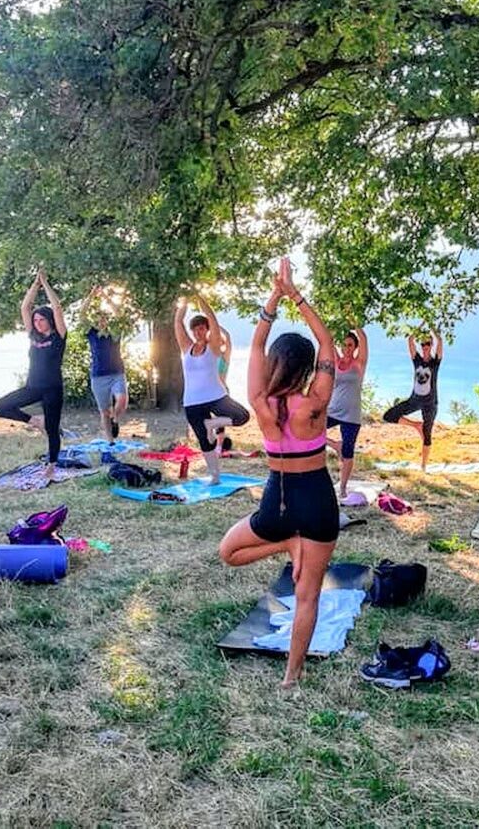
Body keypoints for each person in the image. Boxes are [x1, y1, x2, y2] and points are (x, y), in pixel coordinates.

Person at [218, 257, 339, 688]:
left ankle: (286, 542)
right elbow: (329, 349)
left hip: (279, 499)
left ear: (275, 365)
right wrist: (298, 297)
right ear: (307, 370)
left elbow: (254, 350)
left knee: (228, 552)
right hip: (318, 500)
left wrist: (274, 298)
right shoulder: (315, 404)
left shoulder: (261, 402)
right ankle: (292, 676)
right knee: (307, 595)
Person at [0, 270, 68, 481]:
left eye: (41, 319)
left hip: (53, 389)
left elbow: (58, 307)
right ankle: (35, 420)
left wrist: (46, 283)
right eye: (35, 320)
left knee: (52, 430)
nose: (37, 323)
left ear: (50, 320)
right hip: (32, 387)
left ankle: (51, 466)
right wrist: (35, 285)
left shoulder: (59, 337)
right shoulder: (33, 336)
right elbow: (25, 307)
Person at [175, 293, 249, 482]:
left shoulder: (214, 347)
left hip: (216, 396)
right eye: (195, 330)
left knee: (242, 416)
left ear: (206, 330)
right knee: (204, 440)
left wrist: (200, 299)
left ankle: (213, 424)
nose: (198, 332)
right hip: (192, 401)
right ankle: (215, 476)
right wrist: (184, 303)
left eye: (201, 329)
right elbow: (178, 323)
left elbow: (213, 321)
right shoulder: (187, 348)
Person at [382, 328, 443, 470]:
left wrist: (433, 330)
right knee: (388, 416)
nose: (425, 346)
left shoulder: (435, 363)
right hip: (414, 400)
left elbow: (440, 341)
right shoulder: (417, 360)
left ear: (431, 344)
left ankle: (423, 466)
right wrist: (420, 326)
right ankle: (416, 425)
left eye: (428, 343)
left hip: (430, 403)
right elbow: (410, 340)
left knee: (427, 435)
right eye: (423, 344)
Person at [326, 325, 368, 498]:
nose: (346, 349)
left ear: (355, 347)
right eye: (344, 345)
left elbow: (363, 338)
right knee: (309, 429)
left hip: (351, 414)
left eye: (350, 345)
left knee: (348, 451)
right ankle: (335, 445)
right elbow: (327, 340)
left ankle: (343, 487)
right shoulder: (336, 360)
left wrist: (353, 322)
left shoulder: (359, 363)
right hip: (333, 410)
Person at [84, 285, 129, 442]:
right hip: (98, 376)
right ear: (95, 322)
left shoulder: (114, 333)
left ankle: (115, 419)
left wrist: (105, 296)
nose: (101, 321)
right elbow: (81, 315)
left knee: (122, 401)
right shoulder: (92, 334)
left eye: (104, 318)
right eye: (98, 319)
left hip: (117, 373)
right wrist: (91, 296)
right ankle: (110, 441)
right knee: (104, 411)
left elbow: (119, 314)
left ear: (107, 320)